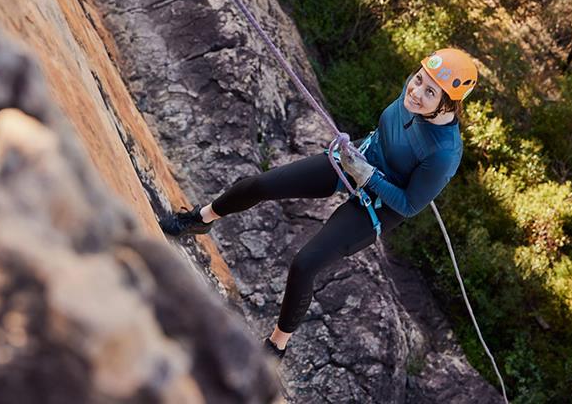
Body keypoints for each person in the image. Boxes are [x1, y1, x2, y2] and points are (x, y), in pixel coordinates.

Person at [159, 48, 478, 361]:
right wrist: (360, 164)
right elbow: (391, 133)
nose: (416, 91)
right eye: (419, 79)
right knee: (260, 185)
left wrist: (369, 177)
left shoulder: (444, 154)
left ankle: (276, 347)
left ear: (449, 103)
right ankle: (201, 219)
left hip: (382, 204)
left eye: (430, 92)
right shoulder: (414, 97)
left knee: (305, 264)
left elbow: (408, 205)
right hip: (359, 159)